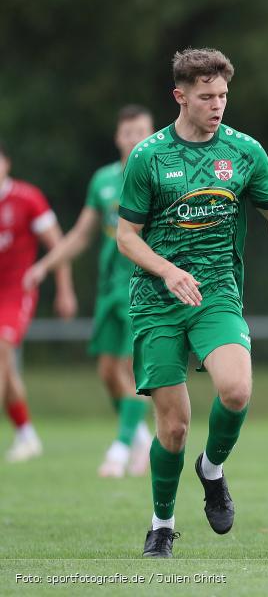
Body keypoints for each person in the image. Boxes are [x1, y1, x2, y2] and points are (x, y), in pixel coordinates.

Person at [116, 48, 268, 558]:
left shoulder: (245, 152)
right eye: (206, 97)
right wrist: (167, 270)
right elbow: (126, 237)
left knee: (235, 390)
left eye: (223, 95)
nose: (218, 105)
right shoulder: (148, 157)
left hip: (217, 294)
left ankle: (213, 468)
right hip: (156, 301)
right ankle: (162, 525)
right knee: (175, 427)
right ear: (180, 96)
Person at [25, 105, 156, 478]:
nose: (134, 139)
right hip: (109, 288)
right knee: (106, 371)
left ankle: (119, 449)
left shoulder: (161, 177)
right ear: (118, 137)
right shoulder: (103, 181)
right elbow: (81, 235)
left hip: (144, 288)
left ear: (152, 134)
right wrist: (44, 266)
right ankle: (141, 440)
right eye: (128, 132)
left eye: (141, 131)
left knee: (131, 370)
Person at [0, 140, 76, 461]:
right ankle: (27, 434)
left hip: (17, 292)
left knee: (1, 349)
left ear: (6, 163)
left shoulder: (27, 198)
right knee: (6, 367)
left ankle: (26, 435)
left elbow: (57, 244)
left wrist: (64, 288)